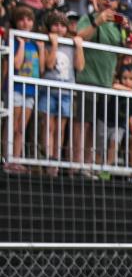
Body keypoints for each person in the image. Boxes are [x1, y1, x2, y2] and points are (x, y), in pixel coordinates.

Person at [72, 0, 127, 169]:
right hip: (87, 80)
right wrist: (98, 21)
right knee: (82, 124)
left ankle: (87, 165)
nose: (108, 0)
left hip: (105, 83)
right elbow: (80, 36)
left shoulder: (118, 26)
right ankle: (76, 164)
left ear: (117, 2)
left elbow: (122, 51)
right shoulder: (88, 17)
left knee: (95, 128)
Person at [39, 11, 84, 176]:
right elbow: (49, 65)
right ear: (49, 27)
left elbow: (79, 67)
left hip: (67, 91)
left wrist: (79, 47)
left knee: (61, 128)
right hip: (49, 89)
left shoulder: (71, 44)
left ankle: (56, 160)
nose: (59, 29)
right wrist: (55, 45)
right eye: (56, 25)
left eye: (62, 25)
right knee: (48, 125)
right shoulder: (46, 43)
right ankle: (49, 158)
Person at [7, 6, 44, 173]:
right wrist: (21, 43)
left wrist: (42, 48)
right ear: (16, 21)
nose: (25, 22)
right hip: (15, 88)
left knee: (21, 127)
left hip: (30, 90)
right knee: (12, 125)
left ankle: (16, 158)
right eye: (22, 19)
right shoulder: (13, 40)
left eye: (29, 19)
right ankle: (8, 158)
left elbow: (42, 69)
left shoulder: (35, 43)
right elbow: (16, 64)